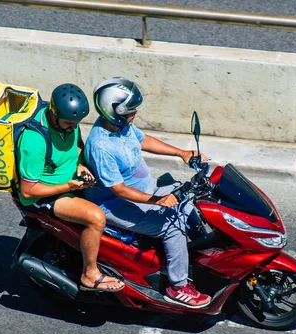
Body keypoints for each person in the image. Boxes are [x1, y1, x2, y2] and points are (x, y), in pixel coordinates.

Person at [83, 77, 211, 308]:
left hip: (145, 189)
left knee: (186, 197)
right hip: (116, 205)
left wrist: (181, 153)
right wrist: (157, 200)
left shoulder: (122, 127)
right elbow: (118, 189)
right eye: (131, 111)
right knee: (172, 226)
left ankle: (199, 254)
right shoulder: (101, 146)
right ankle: (178, 286)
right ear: (115, 111)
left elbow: (144, 140)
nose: (136, 114)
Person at [17, 83, 124, 292]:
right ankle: (90, 274)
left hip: (70, 181)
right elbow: (28, 191)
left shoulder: (67, 123)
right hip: (46, 195)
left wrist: (80, 166)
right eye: (69, 123)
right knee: (96, 218)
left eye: (77, 123)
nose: (73, 128)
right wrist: (68, 185)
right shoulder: (34, 141)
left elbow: (75, 146)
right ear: (54, 114)